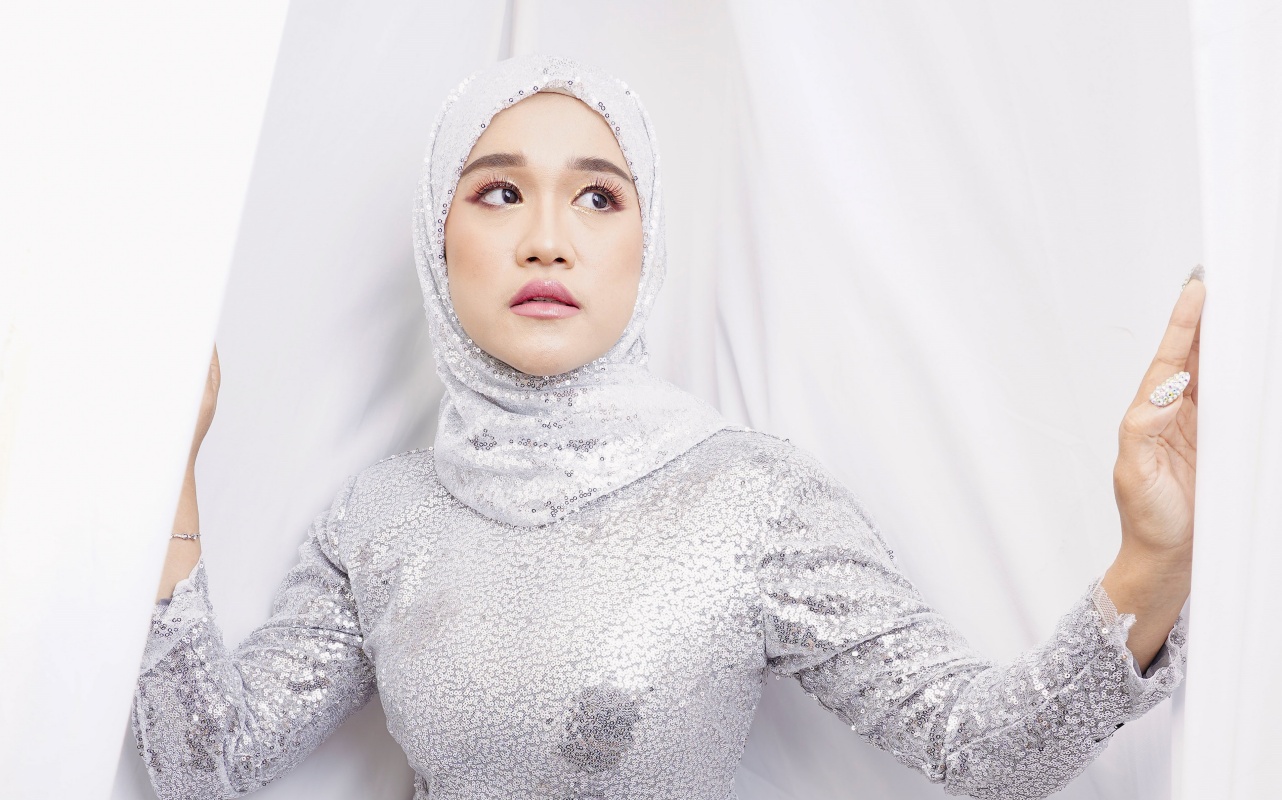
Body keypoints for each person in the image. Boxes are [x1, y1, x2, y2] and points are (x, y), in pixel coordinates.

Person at [132, 55, 1202, 800]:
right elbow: (202, 764)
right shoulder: (379, 517)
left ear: (647, 248)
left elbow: (986, 748)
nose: (547, 240)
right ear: (435, 236)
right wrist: (164, 469)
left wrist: (1149, 562)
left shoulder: (751, 499)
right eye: (498, 193)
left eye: (598, 198)